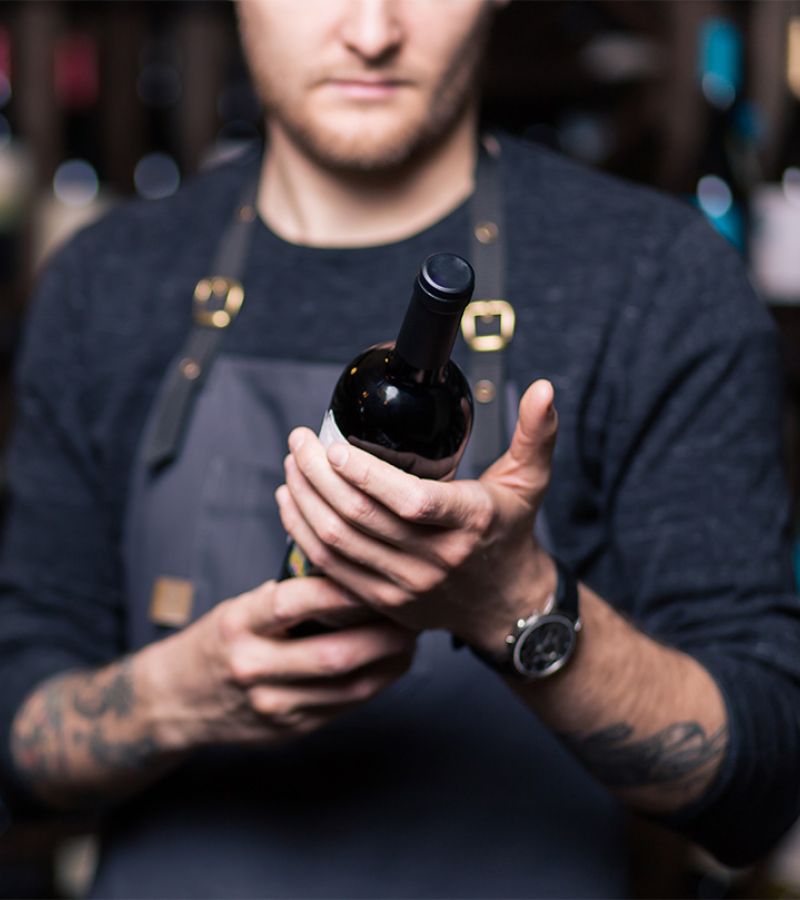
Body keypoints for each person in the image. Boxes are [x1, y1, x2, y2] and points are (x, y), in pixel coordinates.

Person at [1, 1, 800, 896]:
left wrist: (516, 604)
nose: (371, 31)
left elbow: (759, 783)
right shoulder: (103, 283)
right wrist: (174, 696)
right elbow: (16, 740)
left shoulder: (660, 279)